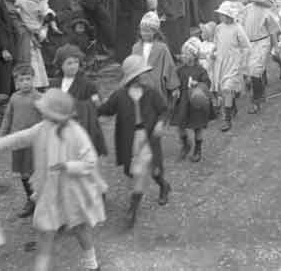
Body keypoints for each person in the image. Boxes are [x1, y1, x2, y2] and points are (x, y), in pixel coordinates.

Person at [0, 89, 107, 271]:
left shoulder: (76, 133)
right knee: (45, 232)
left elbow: (90, 162)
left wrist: (68, 166)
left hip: (72, 191)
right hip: (49, 190)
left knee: (79, 227)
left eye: (45, 111)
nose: (42, 113)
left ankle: (92, 264)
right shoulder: (43, 128)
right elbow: (22, 137)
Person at [97, 55, 171, 228]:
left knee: (149, 170)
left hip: (149, 137)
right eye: (140, 74)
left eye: (144, 73)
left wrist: (160, 123)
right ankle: (162, 186)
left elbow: (164, 110)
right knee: (136, 171)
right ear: (133, 76)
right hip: (130, 138)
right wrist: (87, 108)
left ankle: (134, 208)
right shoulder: (119, 95)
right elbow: (105, 110)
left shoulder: (151, 92)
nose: (143, 77)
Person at [0, 63, 43, 218]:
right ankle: (30, 200)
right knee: (24, 173)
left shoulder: (38, 97)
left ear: (33, 79)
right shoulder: (14, 98)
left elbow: (47, 117)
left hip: (34, 143)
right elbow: (7, 117)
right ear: (16, 82)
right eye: (21, 80)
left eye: (28, 79)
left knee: (37, 171)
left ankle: (43, 201)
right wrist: (2, 135)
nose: (25, 83)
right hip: (18, 142)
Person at [48, 44, 107, 158]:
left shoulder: (88, 85)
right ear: (60, 65)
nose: (73, 66)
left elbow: (97, 106)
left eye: (76, 62)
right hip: (59, 130)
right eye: (69, 63)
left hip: (81, 130)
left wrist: (77, 105)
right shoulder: (54, 84)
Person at [172, 37, 215, 163]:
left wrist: (199, 83)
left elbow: (207, 83)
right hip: (183, 102)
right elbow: (175, 82)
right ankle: (185, 144)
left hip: (196, 102)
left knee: (198, 126)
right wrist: (175, 89)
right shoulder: (180, 70)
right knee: (180, 124)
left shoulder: (200, 70)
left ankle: (198, 149)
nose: (183, 56)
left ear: (193, 56)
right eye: (183, 53)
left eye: (186, 53)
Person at [242, 0, 280, 114]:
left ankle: (256, 100)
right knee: (248, 68)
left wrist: (275, 46)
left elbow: (272, 30)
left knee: (254, 70)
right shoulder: (246, 9)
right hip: (248, 42)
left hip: (262, 42)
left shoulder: (266, 12)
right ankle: (260, 84)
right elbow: (241, 26)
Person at [211, 1, 249, 132]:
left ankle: (227, 119)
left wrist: (242, 63)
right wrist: (214, 53)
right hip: (221, 63)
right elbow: (216, 44)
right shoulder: (219, 28)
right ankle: (232, 106)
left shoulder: (237, 28)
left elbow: (246, 46)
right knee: (223, 89)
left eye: (223, 14)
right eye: (220, 14)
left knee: (227, 88)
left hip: (233, 63)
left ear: (229, 15)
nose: (220, 17)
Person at [132, 11, 180, 99]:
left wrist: (174, 87)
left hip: (156, 87)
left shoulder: (162, 48)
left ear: (155, 32)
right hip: (139, 86)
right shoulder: (136, 48)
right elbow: (131, 66)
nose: (145, 33)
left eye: (148, 31)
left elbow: (169, 67)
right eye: (143, 30)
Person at [15, 0, 50, 89]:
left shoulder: (22, 2)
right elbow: (42, 17)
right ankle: (39, 82)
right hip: (35, 30)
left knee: (30, 59)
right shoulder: (38, 6)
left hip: (26, 31)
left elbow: (15, 4)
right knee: (36, 59)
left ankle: (31, 83)